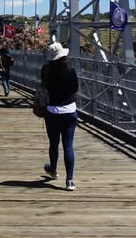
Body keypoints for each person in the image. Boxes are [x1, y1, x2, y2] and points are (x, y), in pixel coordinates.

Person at [40, 42, 79, 191]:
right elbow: (75, 89)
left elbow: (43, 85)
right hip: (69, 111)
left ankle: (53, 170)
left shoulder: (46, 70)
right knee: (68, 145)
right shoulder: (70, 71)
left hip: (52, 111)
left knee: (54, 143)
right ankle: (69, 180)